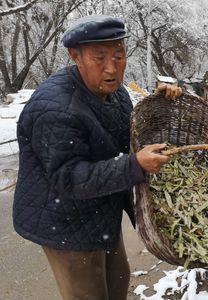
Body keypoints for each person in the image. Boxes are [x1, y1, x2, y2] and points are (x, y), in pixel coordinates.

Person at [13, 15, 181, 300]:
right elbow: (69, 178)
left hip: (101, 214)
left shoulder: (116, 94)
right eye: (99, 58)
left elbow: (128, 133)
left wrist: (159, 104)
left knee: (117, 282)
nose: (111, 68)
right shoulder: (56, 109)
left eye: (119, 56)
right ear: (75, 56)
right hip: (66, 224)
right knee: (88, 294)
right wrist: (134, 165)